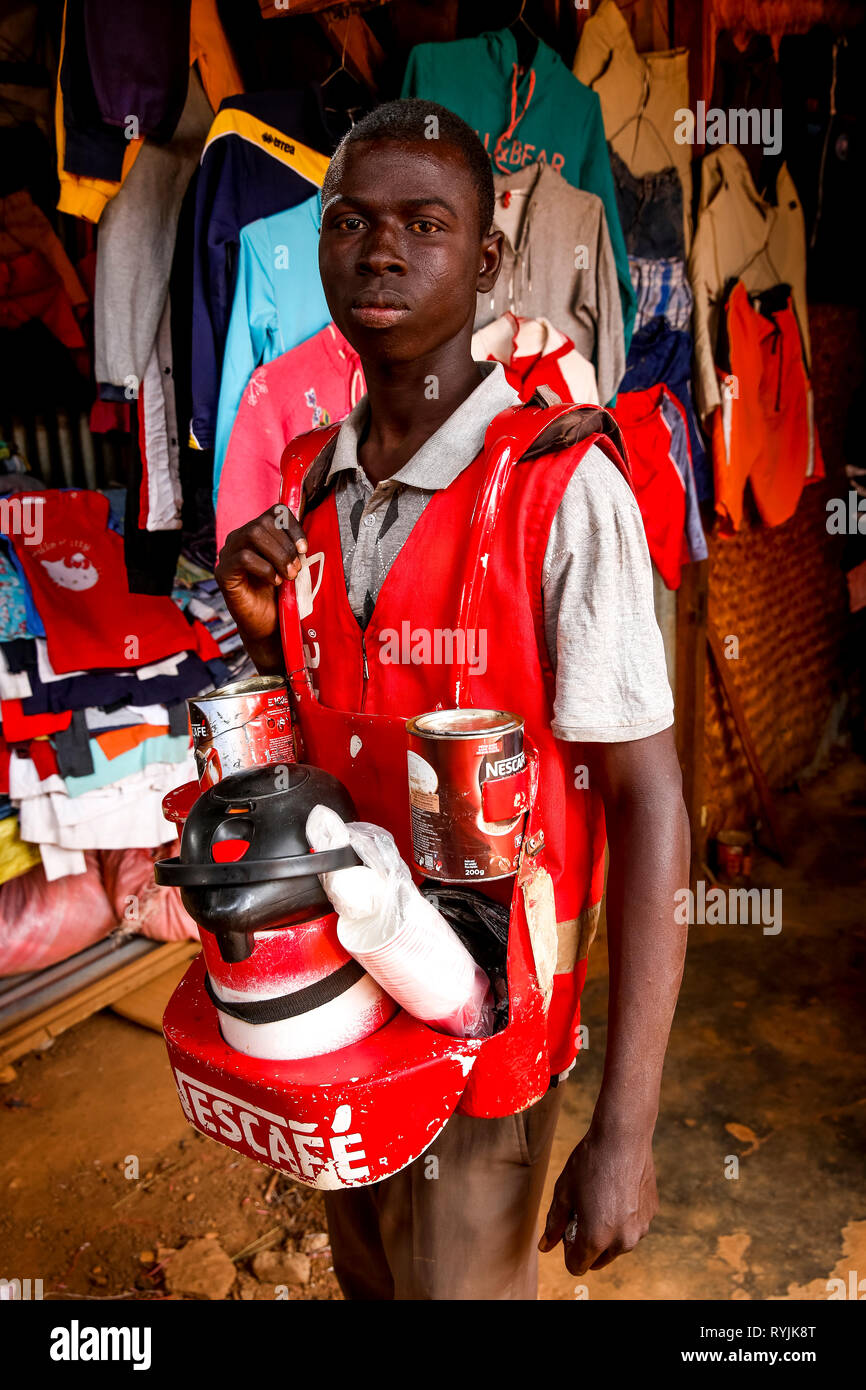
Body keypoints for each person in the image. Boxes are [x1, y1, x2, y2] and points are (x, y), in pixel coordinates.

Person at [216, 99, 689, 1301]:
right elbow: (329, 746)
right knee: (370, 1278)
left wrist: (626, 1130)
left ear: (485, 258)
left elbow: (647, 808)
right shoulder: (309, 486)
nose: (381, 251)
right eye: (352, 222)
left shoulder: (559, 486)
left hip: (485, 1039)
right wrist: (267, 636)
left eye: (424, 224)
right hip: (330, 1013)